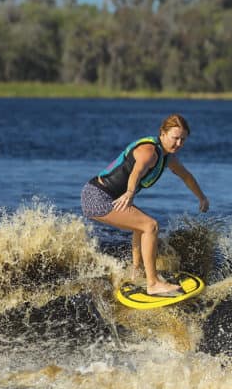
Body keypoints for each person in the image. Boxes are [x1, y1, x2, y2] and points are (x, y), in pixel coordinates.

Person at [80, 114, 209, 296]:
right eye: (175, 138)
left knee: (141, 226)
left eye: (183, 140)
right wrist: (130, 193)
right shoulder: (149, 151)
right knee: (151, 226)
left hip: (105, 195)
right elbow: (137, 171)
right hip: (96, 196)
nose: (179, 143)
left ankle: (136, 270)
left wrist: (202, 198)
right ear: (162, 134)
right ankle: (153, 283)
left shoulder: (168, 158)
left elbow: (186, 176)